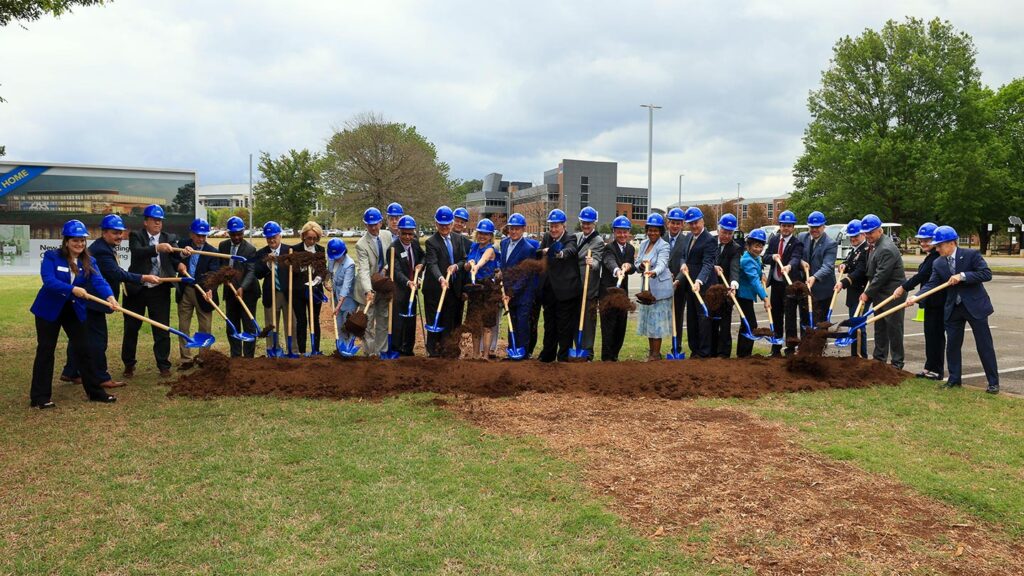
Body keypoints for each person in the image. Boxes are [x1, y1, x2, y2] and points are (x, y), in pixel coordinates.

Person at [60, 214, 160, 389]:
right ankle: (101, 377)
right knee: (99, 341)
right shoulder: (101, 251)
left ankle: (71, 372)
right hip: (93, 301)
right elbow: (116, 273)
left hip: (91, 301)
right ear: (104, 232)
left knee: (80, 338)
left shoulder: (105, 247)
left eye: (121, 233)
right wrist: (144, 277)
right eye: (115, 233)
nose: (119, 236)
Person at [30, 220, 119, 408]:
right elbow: (49, 281)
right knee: (46, 350)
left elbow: (99, 281)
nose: (79, 244)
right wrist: (73, 289)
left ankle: (95, 392)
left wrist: (110, 297)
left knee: (84, 349)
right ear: (66, 241)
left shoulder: (89, 260)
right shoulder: (52, 257)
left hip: (73, 309)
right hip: (49, 309)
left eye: (82, 241)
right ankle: (40, 397)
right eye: (75, 241)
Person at [910, 226, 999, 394]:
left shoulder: (971, 255)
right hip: (953, 309)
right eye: (936, 246)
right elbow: (932, 283)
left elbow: (986, 274)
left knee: (984, 345)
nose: (937, 249)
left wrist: (963, 276)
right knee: (952, 345)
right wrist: (917, 296)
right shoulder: (938, 262)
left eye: (940, 245)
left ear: (951, 243)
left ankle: (993, 382)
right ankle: (954, 379)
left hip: (975, 306)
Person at [122, 203, 178, 378]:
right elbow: (137, 252)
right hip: (137, 289)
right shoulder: (136, 236)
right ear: (145, 221)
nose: (158, 224)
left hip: (159, 291)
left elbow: (177, 256)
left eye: (160, 221)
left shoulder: (169, 237)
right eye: (154, 220)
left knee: (161, 329)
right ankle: (129, 364)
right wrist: (156, 248)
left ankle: (163, 365)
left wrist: (185, 253)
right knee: (131, 328)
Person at [894, 223, 943, 380]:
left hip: (938, 302)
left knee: (936, 336)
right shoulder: (931, 256)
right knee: (930, 335)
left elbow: (921, 276)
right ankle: (929, 367)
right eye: (921, 241)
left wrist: (903, 287)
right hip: (929, 302)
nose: (923, 244)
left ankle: (937, 370)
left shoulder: (936, 257)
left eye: (927, 240)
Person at [860, 213, 906, 369]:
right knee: (880, 326)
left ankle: (897, 363)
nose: (868, 236)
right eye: (865, 233)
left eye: (870, 232)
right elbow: (872, 272)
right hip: (880, 293)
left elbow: (881, 275)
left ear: (880, 230)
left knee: (894, 328)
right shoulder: (874, 245)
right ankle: (879, 359)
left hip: (893, 293)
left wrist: (867, 293)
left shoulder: (886, 248)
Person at [537, 208, 581, 362]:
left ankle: (563, 357)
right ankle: (547, 355)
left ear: (564, 225)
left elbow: (570, 251)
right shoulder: (547, 237)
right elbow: (538, 251)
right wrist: (544, 250)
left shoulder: (571, 238)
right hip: (549, 291)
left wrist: (559, 253)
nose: (553, 229)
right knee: (549, 325)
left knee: (564, 327)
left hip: (565, 291)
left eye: (557, 226)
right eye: (551, 226)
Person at [175, 218, 219, 370]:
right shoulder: (181, 245)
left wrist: (210, 289)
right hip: (185, 290)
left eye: (204, 235)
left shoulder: (212, 252)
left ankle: (203, 357)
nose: (201, 238)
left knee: (205, 327)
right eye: (198, 235)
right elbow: (172, 259)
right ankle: (186, 359)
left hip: (203, 293)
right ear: (191, 234)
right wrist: (182, 257)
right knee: (183, 326)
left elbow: (214, 273)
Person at [673, 206, 717, 358]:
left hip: (702, 287)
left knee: (703, 319)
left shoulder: (710, 240)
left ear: (702, 221)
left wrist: (699, 281)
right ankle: (694, 350)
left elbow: (708, 264)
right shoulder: (688, 237)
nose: (693, 226)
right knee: (691, 319)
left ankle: (704, 352)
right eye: (691, 223)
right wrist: (683, 264)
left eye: (696, 222)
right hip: (690, 286)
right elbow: (684, 256)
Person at [423, 206, 467, 357]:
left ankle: (447, 350)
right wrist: (441, 278)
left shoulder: (458, 239)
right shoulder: (431, 242)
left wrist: (457, 266)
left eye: (448, 224)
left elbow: (463, 259)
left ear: (452, 223)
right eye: (441, 225)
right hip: (435, 289)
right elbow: (432, 264)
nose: (445, 227)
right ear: (436, 224)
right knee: (435, 321)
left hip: (453, 288)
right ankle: (433, 352)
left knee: (450, 321)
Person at [498, 212, 540, 359]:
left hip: (522, 294)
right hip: (507, 293)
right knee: (512, 323)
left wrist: (511, 293)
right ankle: (512, 351)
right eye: (511, 228)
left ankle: (522, 354)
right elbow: (504, 266)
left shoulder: (528, 249)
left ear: (523, 229)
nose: (513, 231)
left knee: (522, 324)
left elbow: (525, 276)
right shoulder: (503, 244)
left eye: (517, 228)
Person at [353, 208, 393, 356]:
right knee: (368, 323)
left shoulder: (388, 235)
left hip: (383, 287)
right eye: (370, 225)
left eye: (376, 224)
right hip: (367, 288)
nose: (373, 227)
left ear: (381, 222)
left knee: (383, 319)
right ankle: (370, 354)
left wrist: (387, 268)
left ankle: (381, 351)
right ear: (365, 225)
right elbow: (363, 270)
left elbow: (391, 257)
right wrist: (368, 291)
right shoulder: (361, 244)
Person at [218, 216, 260, 358]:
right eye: (233, 234)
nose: (236, 237)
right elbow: (221, 267)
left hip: (247, 292)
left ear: (243, 232)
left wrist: (242, 287)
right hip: (230, 292)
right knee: (232, 325)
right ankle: (235, 356)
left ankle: (248, 358)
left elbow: (251, 271)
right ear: (228, 233)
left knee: (248, 325)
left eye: (239, 234)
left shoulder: (250, 249)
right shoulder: (222, 246)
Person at [764, 210, 804, 356]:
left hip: (789, 285)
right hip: (776, 284)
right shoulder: (774, 240)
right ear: (779, 226)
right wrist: (772, 256)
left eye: (789, 225)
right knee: (776, 316)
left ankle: (790, 349)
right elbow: (765, 257)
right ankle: (775, 348)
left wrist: (789, 266)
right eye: (783, 225)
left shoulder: (797, 243)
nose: (786, 228)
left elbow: (795, 257)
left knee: (790, 317)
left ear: (793, 227)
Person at [636, 214, 673, 360]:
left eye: (656, 230)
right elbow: (638, 262)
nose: (652, 233)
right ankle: (651, 352)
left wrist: (654, 271)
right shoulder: (644, 244)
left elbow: (662, 263)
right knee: (649, 322)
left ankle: (656, 354)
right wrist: (640, 266)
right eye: (650, 230)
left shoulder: (664, 245)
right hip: (646, 289)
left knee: (657, 323)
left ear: (661, 231)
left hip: (660, 289)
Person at [599, 215, 636, 361]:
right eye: (619, 232)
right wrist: (617, 270)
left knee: (621, 328)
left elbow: (632, 268)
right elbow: (609, 261)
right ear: (614, 232)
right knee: (608, 328)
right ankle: (607, 359)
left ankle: (615, 357)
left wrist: (629, 266)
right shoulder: (608, 248)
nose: (622, 235)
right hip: (608, 295)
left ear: (629, 232)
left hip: (622, 295)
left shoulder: (631, 249)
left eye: (625, 232)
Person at [253, 221, 293, 353]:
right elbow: (258, 274)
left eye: (274, 236)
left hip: (288, 293)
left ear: (279, 235)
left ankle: (293, 349)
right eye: (268, 237)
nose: (271, 240)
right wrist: (268, 264)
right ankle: (272, 349)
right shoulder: (261, 253)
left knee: (291, 324)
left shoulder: (289, 251)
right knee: (271, 324)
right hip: (271, 294)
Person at [465, 218, 501, 359]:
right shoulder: (473, 247)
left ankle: (485, 355)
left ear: (491, 235)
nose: (482, 236)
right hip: (475, 289)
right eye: (480, 233)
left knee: (487, 324)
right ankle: (475, 355)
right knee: (475, 323)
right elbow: (468, 265)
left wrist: (477, 266)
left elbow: (485, 259)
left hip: (488, 289)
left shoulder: (491, 249)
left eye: (486, 234)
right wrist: (470, 264)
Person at [390, 216, 424, 356]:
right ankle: (397, 349)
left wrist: (421, 266)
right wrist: (407, 282)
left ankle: (408, 349)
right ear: (399, 232)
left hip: (413, 288)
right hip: (399, 290)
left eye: (410, 233)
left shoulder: (415, 244)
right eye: (404, 233)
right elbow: (396, 271)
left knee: (410, 320)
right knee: (398, 321)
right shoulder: (393, 248)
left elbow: (424, 256)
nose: (407, 237)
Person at [834, 219, 869, 357]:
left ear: (863, 235)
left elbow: (860, 271)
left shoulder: (866, 250)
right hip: (853, 293)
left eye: (856, 236)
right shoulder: (855, 250)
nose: (853, 239)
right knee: (854, 325)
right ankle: (855, 355)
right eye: (851, 236)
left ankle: (861, 356)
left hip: (861, 293)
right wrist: (844, 265)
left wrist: (843, 282)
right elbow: (850, 263)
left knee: (858, 326)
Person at [798, 211, 838, 327]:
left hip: (823, 291)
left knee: (820, 325)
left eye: (817, 227)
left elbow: (828, 266)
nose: (814, 229)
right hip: (805, 290)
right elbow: (796, 255)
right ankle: (805, 344)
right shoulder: (801, 237)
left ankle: (820, 345)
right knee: (805, 322)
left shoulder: (830, 243)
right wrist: (801, 262)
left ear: (824, 226)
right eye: (812, 227)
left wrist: (815, 277)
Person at [710, 213, 742, 358]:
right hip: (710, 290)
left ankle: (724, 354)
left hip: (726, 291)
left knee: (725, 323)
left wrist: (733, 285)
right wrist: (713, 267)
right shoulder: (709, 242)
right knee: (710, 323)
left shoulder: (735, 248)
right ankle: (710, 351)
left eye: (730, 233)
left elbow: (735, 267)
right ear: (718, 230)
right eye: (724, 232)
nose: (726, 236)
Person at [291, 221, 326, 355]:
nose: (311, 241)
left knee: (314, 319)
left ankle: (315, 349)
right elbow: (293, 270)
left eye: (314, 238)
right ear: (303, 236)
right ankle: (301, 351)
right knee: (301, 320)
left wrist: (316, 280)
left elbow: (322, 270)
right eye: (309, 238)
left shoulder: (320, 250)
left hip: (315, 292)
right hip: (298, 291)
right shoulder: (295, 249)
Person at [574, 206, 605, 359]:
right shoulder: (577, 236)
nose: (586, 226)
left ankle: (588, 352)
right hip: (575, 286)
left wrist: (592, 263)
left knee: (588, 321)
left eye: (589, 223)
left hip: (589, 287)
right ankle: (577, 348)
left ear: (595, 224)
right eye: (583, 222)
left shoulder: (598, 241)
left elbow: (598, 262)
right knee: (576, 318)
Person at [736, 228, 770, 357]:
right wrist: (765, 298)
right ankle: (744, 355)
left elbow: (758, 273)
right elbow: (754, 281)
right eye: (756, 246)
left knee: (746, 325)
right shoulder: (747, 260)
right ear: (748, 245)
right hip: (743, 296)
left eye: (761, 246)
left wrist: (763, 274)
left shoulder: (756, 258)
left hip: (748, 296)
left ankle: (742, 354)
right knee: (750, 325)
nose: (758, 249)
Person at [665, 207, 688, 350]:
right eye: (673, 222)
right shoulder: (661, 239)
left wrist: (678, 279)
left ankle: (676, 346)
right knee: (659, 316)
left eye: (678, 223)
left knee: (678, 316)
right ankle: (655, 349)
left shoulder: (686, 241)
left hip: (679, 285)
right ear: (668, 223)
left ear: (682, 224)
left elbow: (685, 262)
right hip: (661, 283)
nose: (675, 226)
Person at [327, 238, 357, 346]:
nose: (336, 259)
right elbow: (329, 273)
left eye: (338, 256)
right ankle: (340, 351)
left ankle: (348, 350)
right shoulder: (331, 258)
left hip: (348, 300)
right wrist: (326, 283)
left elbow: (346, 287)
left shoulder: (350, 265)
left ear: (344, 251)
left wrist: (338, 306)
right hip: (336, 298)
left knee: (347, 327)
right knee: (339, 327)